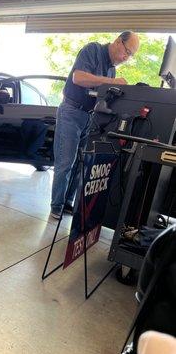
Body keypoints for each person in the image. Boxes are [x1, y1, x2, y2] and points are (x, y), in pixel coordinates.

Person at [50, 31, 140, 219]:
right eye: (127, 52)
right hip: (71, 112)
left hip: (89, 116)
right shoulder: (93, 50)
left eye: (130, 56)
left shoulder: (111, 68)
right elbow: (79, 78)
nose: (126, 58)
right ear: (117, 42)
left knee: (79, 163)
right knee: (65, 161)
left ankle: (67, 202)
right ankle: (56, 205)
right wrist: (111, 81)